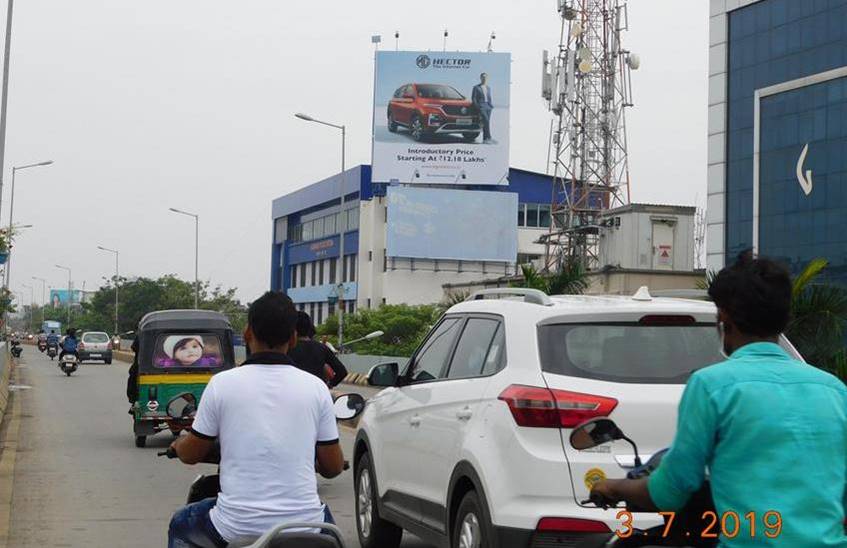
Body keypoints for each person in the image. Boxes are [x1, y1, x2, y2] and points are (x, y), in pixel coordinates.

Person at [590, 252, 847, 547]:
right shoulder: (835, 391)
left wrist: (615, 486)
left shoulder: (711, 386)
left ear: (723, 317)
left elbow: (671, 491)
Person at [167, 291, 345, 548]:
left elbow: (192, 453)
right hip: (306, 526)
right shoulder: (317, 388)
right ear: (293, 337)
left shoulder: (222, 384)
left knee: (181, 522)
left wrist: (179, 445)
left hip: (235, 528)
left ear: (248, 333)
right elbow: (332, 467)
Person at [288, 311, 348, 388]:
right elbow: (342, 372)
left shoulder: (287, 348)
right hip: (317, 392)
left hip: (293, 390)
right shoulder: (322, 348)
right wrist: (329, 385)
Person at [471, 72, 494, 144]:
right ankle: (489, 138)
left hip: (488, 106)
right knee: (486, 121)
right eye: (483, 77)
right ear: (480, 78)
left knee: (486, 122)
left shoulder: (488, 88)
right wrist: (477, 107)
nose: (484, 78)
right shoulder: (476, 87)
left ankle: (485, 139)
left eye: (485, 77)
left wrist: (491, 105)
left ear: (487, 78)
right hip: (481, 106)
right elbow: (473, 98)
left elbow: (489, 97)